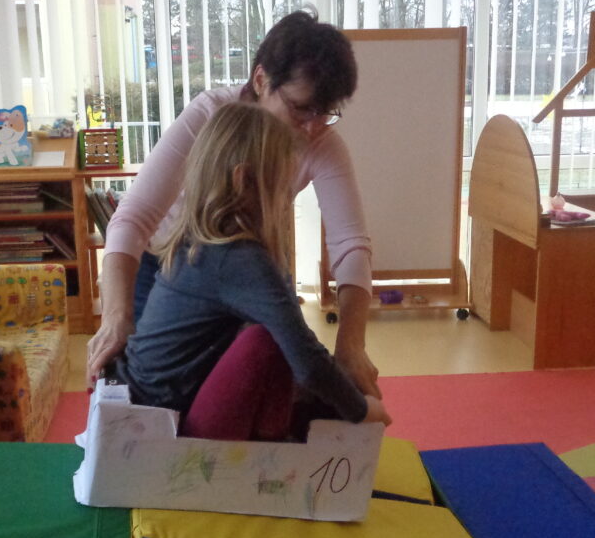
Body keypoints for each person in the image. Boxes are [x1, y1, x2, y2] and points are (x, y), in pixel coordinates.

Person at [87, 9, 380, 398]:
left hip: (247, 258)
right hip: (169, 265)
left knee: (267, 380)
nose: (311, 127)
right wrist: (115, 317)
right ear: (261, 80)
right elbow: (133, 219)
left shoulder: (321, 142)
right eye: (300, 108)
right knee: (163, 394)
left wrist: (351, 344)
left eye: (324, 114)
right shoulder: (211, 113)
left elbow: (350, 244)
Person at [109, 101, 391, 441]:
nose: (284, 202)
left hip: (147, 400)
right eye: (282, 188)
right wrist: (362, 410)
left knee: (303, 372)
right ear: (244, 181)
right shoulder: (238, 259)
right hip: (165, 426)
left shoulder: (198, 239)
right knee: (268, 341)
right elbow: (307, 359)